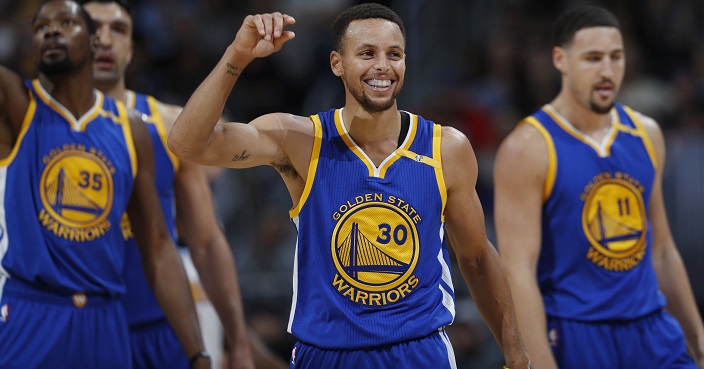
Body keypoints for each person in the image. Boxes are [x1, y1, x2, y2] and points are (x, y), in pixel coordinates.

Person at [167, 3, 529, 369]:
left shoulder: (446, 148)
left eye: (394, 54)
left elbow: (477, 257)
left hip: (419, 352)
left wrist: (515, 354)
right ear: (337, 63)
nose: (382, 66)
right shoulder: (299, 139)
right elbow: (187, 145)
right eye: (367, 53)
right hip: (325, 355)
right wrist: (238, 55)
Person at [0, 1, 209, 368]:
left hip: (106, 317)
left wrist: (198, 353)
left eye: (65, 22)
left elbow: (159, 249)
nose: (50, 31)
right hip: (32, 312)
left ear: (94, 42)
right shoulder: (19, 106)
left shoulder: (131, 128)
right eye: (40, 27)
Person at [494, 5, 704, 369]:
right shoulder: (527, 146)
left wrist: (698, 340)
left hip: (651, 328)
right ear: (560, 59)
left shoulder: (646, 133)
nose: (607, 71)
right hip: (577, 333)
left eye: (616, 57)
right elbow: (518, 271)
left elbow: (663, 251)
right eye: (593, 58)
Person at [80, 1, 271, 368]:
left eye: (118, 30)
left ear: (131, 48)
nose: (104, 40)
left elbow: (206, 241)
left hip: (159, 327)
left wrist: (239, 341)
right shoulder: (34, 122)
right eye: (92, 29)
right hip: (75, 325)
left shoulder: (167, 123)